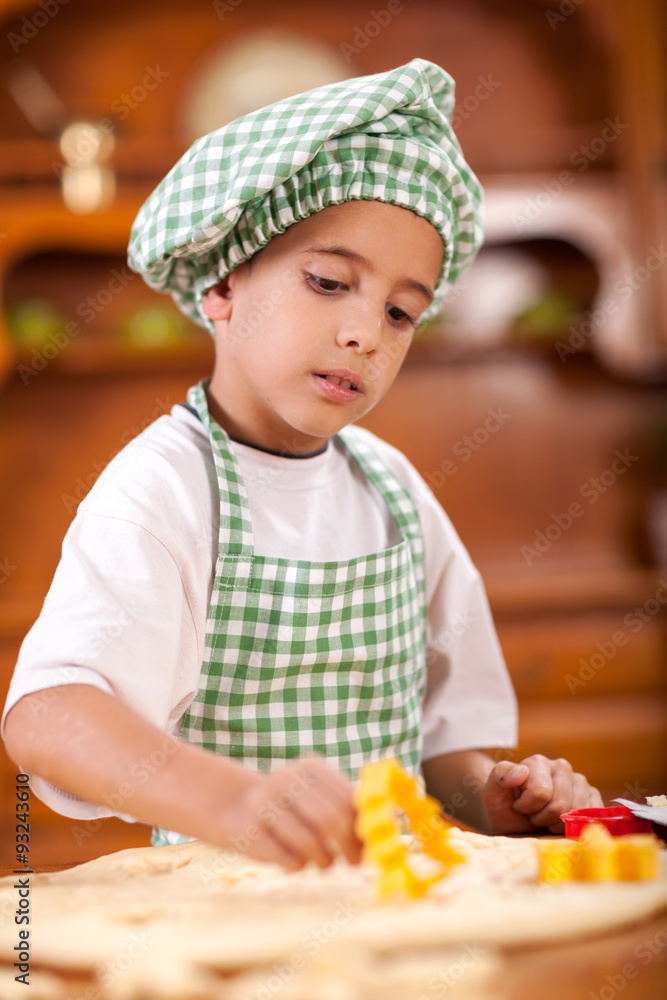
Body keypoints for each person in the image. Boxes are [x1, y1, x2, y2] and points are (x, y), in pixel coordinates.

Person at [2, 59, 602, 871]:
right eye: (327, 282)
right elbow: (46, 716)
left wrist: (490, 796)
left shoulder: (393, 491)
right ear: (222, 282)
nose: (365, 333)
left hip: (395, 904)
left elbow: (442, 751)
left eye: (401, 312)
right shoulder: (165, 487)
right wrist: (234, 801)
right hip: (229, 916)